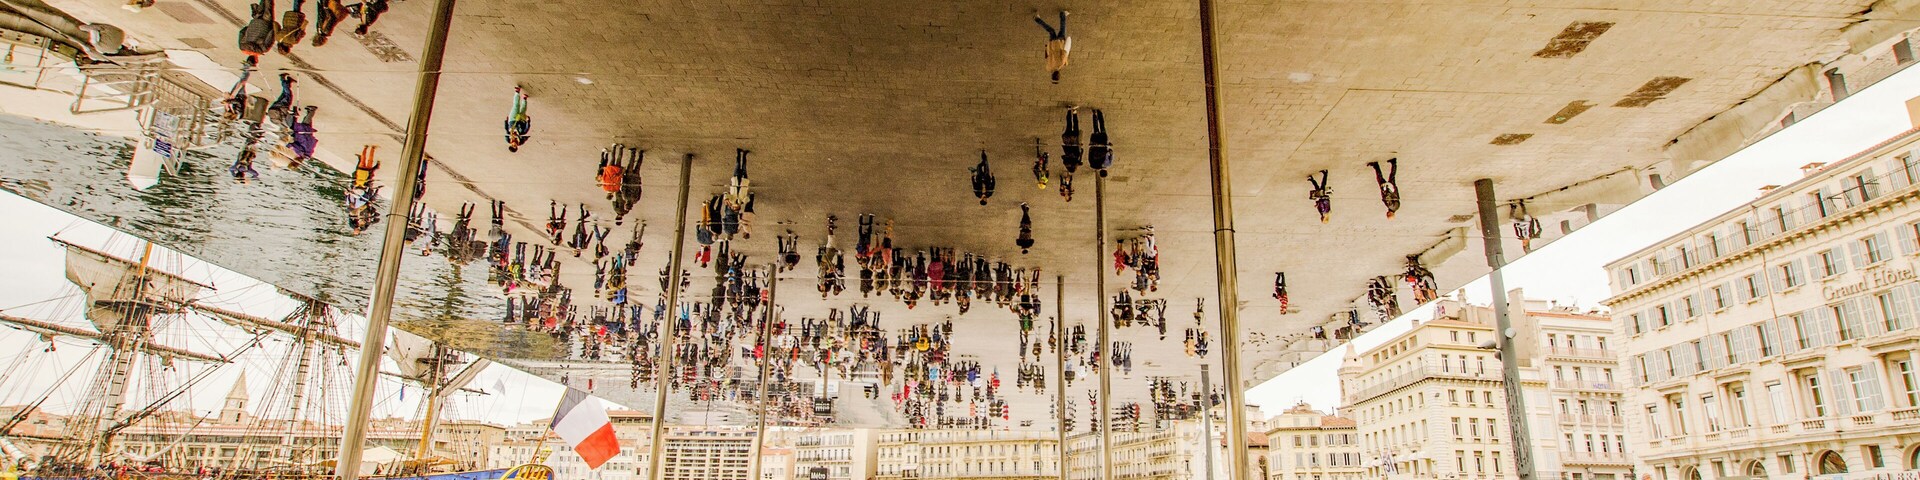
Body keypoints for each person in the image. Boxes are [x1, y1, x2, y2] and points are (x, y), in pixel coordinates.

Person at [1033, 10, 1071, 83]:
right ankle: (1037, 19)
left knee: (1062, 29)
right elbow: (1046, 56)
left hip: (1059, 43)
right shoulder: (1048, 68)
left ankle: (1063, 14)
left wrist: (1066, 61)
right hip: (1051, 45)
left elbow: (1064, 51)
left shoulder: (1062, 64)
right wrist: (1046, 47)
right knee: (1051, 31)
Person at [504, 86, 531, 152]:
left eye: (512, 145)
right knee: (523, 110)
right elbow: (525, 130)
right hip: (521, 122)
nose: (514, 144)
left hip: (512, 120)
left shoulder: (508, 139)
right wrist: (528, 121)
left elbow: (506, 130)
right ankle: (524, 99)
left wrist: (506, 121)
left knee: (516, 106)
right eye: (515, 146)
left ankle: (517, 92)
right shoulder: (521, 141)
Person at [1060, 106, 1082, 173]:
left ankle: (1074, 112)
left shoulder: (1076, 160)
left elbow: (1080, 152)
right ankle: (1069, 110)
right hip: (1067, 140)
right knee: (1068, 124)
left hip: (1075, 141)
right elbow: (1063, 156)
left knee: (1076, 125)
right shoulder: (1066, 162)